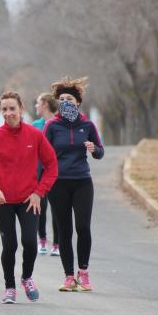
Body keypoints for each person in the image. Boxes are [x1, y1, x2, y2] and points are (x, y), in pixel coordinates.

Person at [0, 91, 57, 304]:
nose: (8, 113)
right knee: (9, 245)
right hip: (2, 201)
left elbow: (52, 166)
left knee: (30, 242)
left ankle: (26, 277)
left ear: (21, 109)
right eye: (4, 109)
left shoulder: (35, 135)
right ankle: (9, 287)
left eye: (12, 108)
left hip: (28, 199)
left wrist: (39, 192)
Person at [45, 77, 104, 292]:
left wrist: (93, 149)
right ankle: (69, 276)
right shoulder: (52, 126)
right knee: (64, 231)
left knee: (83, 227)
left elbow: (100, 151)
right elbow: (42, 156)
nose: (65, 102)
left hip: (82, 182)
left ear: (77, 102)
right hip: (57, 184)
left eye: (69, 99)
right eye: (61, 99)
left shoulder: (87, 125)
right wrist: (39, 186)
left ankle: (84, 273)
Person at [32, 92, 59, 255]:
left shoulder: (59, 124)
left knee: (57, 208)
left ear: (45, 105)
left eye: (38, 103)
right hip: (38, 172)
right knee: (40, 206)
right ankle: (42, 240)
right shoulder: (35, 125)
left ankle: (57, 244)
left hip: (56, 172)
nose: (36, 106)